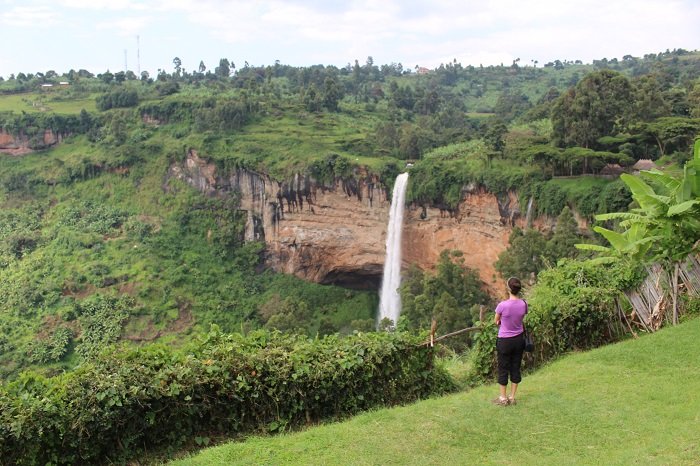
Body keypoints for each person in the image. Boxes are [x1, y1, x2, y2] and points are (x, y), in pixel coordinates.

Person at [492, 277, 527, 406]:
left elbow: (496, 321)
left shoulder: (502, 305)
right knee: (515, 367)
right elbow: (521, 317)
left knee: (503, 368)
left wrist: (502, 321)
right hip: (519, 339)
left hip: (505, 341)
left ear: (508, 289)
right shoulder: (524, 304)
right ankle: (512, 397)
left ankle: (503, 397)